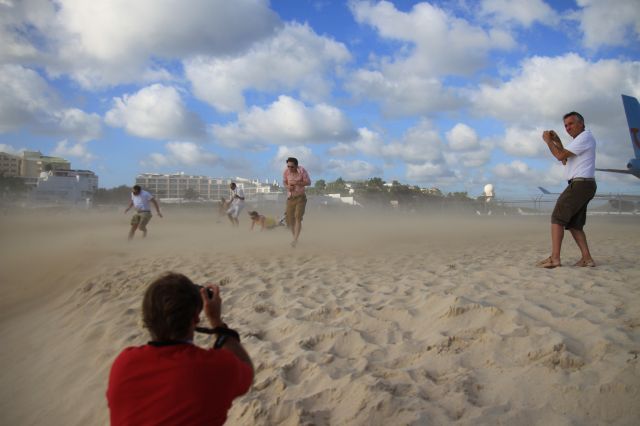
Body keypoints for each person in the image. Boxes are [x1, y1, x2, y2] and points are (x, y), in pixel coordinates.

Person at [107, 272, 254, 425]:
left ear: (147, 319)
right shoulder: (213, 368)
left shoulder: (123, 365)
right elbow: (246, 370)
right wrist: (216, 322)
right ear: (196, 318)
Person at [537, 111, 597, 268]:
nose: (568, 127)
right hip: (585, 184)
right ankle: (587, 258)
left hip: (580, 184)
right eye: (565, 125)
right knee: (575, 225)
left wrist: (548, 141)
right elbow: (564, 158)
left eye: (571, 124)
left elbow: (559, 156)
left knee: (557, 218)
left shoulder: (584, 137)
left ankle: (555, 258)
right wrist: (556, 140)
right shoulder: (581, 140)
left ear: (581, 124)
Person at [283, 157, 311, 247]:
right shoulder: (286, 172)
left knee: (298, 217)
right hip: (290, 198)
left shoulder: (302, 171)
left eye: (292, 167)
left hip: (301, 198)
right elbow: (284, 182)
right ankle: (295, 237)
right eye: (288, 166)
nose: (289, 168)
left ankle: (295, 240)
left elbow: (308, 182)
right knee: (290, 221)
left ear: (296, 166)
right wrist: (287, 187)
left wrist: (297, 183)